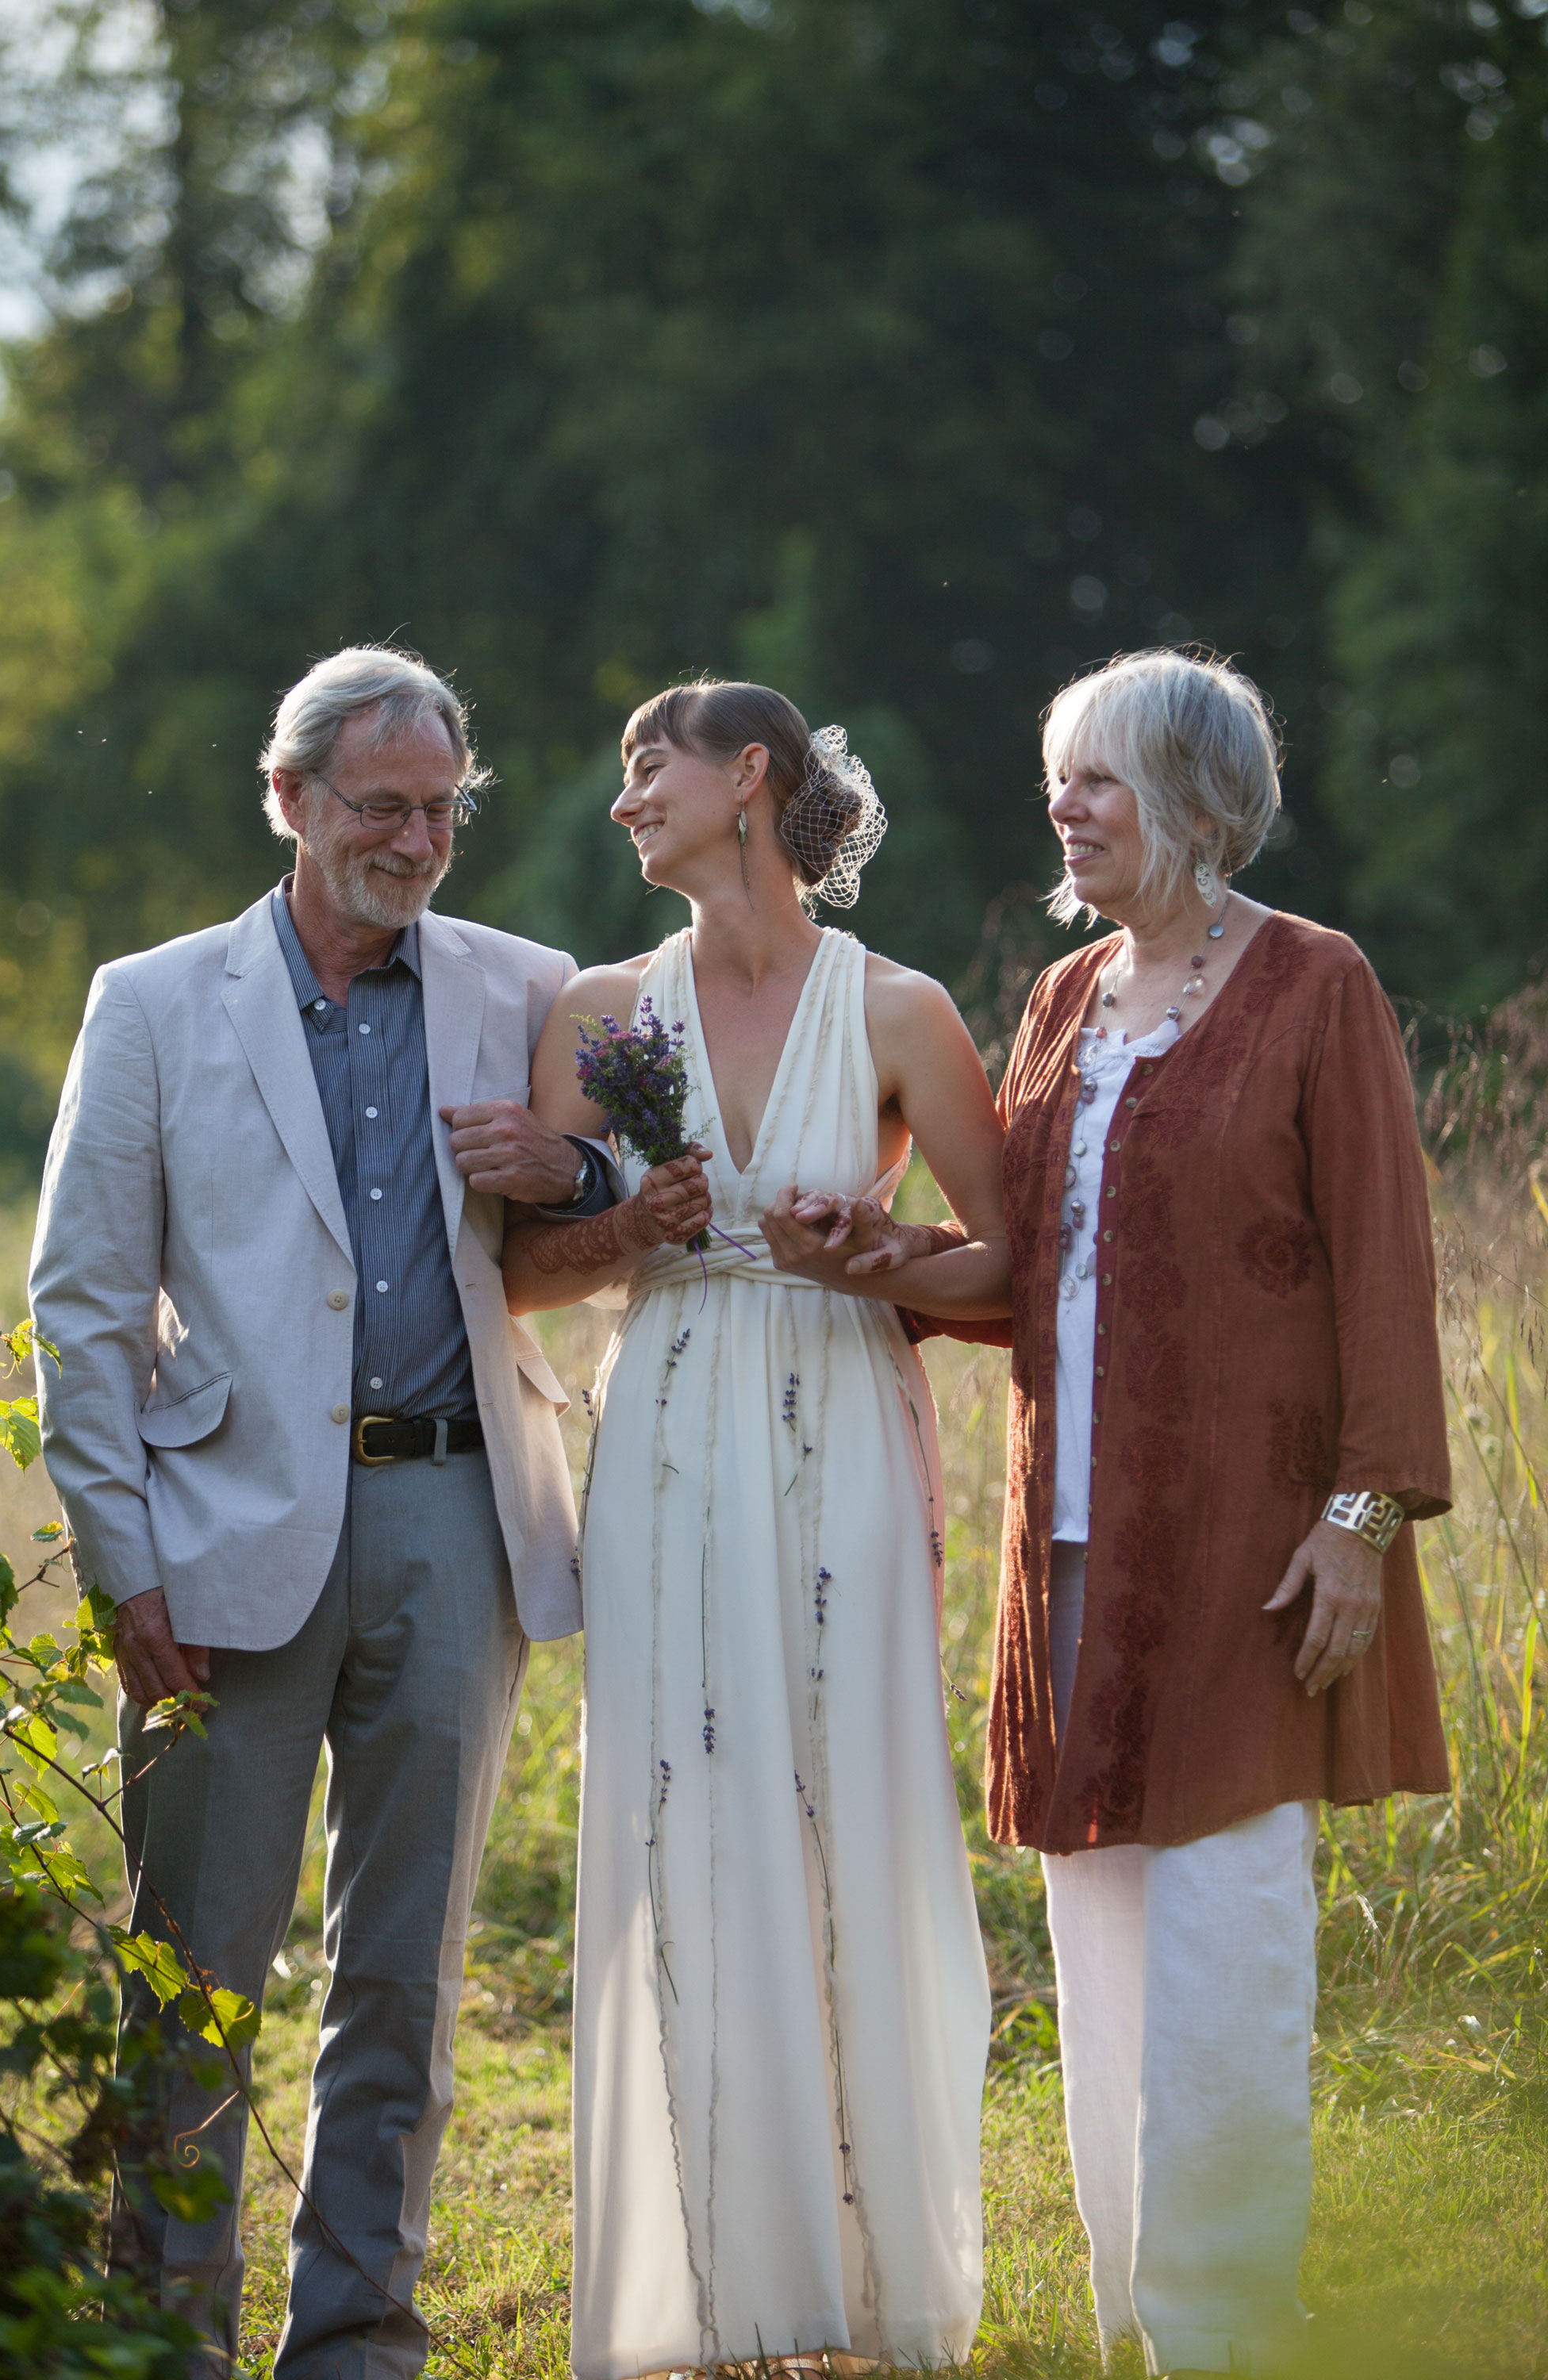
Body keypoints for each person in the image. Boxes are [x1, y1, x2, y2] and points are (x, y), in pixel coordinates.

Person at [762, 648, 1452, 2380]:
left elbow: (1383, 1262)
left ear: (1200, 802)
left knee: (1227, 1958)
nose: (1063, 808)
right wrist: (887, 1261)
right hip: (1068, 1551)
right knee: (1105, 1952)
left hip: (1252, 1549)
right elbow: (1037, 1273)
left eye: (1101, 780)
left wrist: (1362, 1519)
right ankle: (1143, 2323)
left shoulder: (1313, 983)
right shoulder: (1063, 999)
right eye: (1058, 777)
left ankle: (1231, 2335)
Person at [29, 646, 655, 2376]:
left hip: (463, 1522)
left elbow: (651, 1179)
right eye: (382, 806)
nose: (417, 839)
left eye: (442, 809)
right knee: (196, 1967)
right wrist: (118, 1557)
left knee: (404, 1972)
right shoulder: (152, 1004)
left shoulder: (529, 987)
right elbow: (79, 1306)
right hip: (218, 1539)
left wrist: (576, 1170)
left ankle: (358, 2333)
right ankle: (164, 2335)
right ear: (288, 800)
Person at [498, 679, 1000, 2376]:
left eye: (652, 760)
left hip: (839, 1415)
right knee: (683, 1802)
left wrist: (875, 1256)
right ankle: (715, 2282)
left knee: (843, 1789)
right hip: (667, 1423)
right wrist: (631, 1223)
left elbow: (1008, 1263)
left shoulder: (903, 1009)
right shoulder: (594, 1013)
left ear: (749, 778)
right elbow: (522, 1276)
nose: (625, 790)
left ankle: (865, 2282)